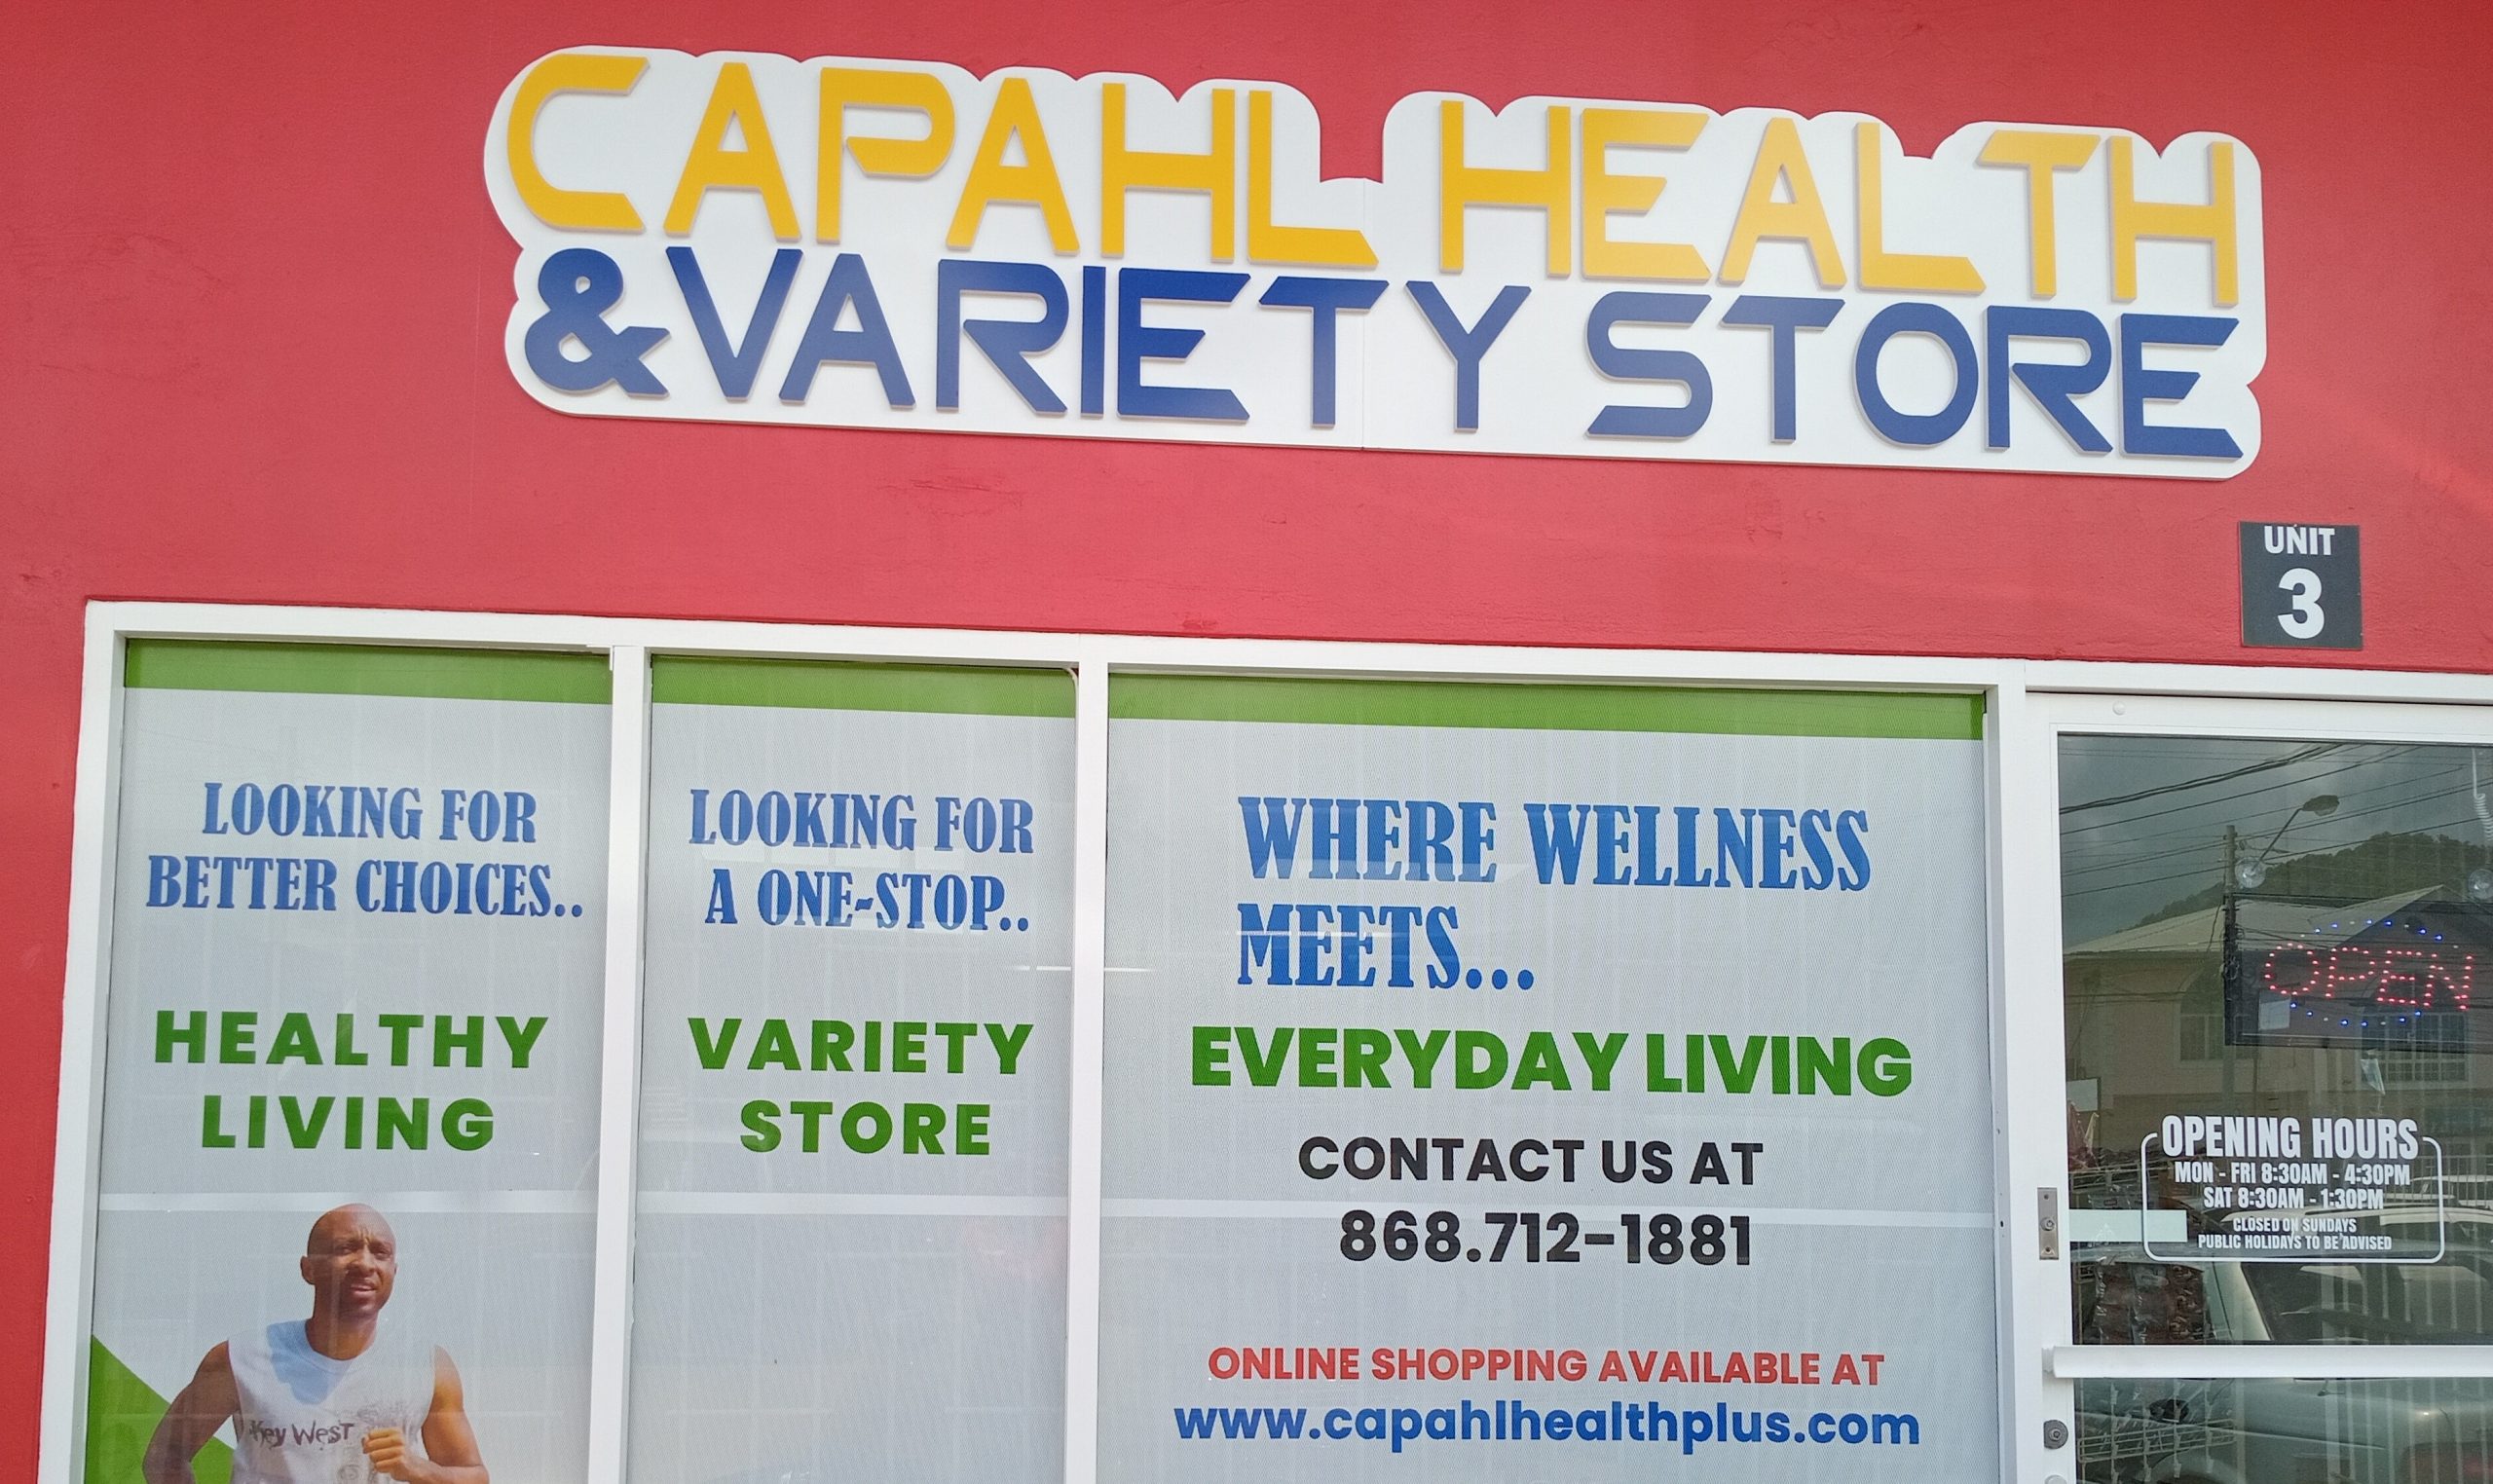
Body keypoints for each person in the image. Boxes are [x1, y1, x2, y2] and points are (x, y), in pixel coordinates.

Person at [142, 1204, 488, 1484]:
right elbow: (164, 1457)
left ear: (394, 1271)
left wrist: (418, 1469)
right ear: (308, 1270)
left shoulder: (424, 1365)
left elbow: (473, 1476)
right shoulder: (241, 1358)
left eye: (380, 1252)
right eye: (345, 1248)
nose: (365, 1263)